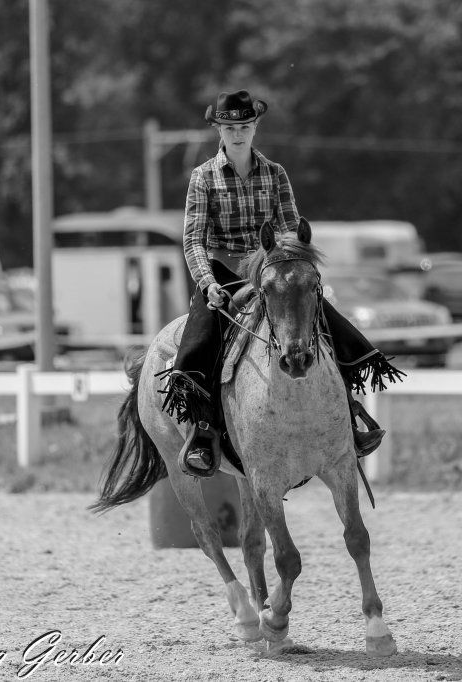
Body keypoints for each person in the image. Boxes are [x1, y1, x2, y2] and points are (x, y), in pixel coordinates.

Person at [158, 90, 403, 477]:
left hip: (272, 268)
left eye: (244, 126)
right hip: (222, 272)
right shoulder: (202, 177)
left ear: (255, 127)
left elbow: (290, 228)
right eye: (229, 127)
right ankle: (204, 431)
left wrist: (289, 267)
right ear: (218, 130)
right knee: (199, 342)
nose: (237, 134)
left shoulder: (276, 173)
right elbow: (193, 239)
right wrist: (207, 284)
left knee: (325, 321)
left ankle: (347, 410)